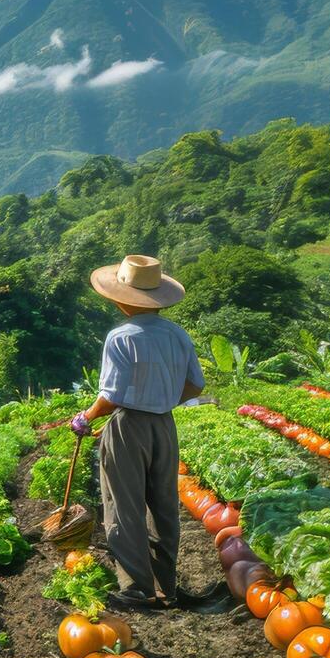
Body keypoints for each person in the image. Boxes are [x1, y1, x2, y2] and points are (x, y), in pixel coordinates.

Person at [69, 254, 209, 610]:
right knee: (163, 505)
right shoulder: (177, 335)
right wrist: (162, 398)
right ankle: (167, 586)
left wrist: (85, 419)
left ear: (121, 298)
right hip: (164, 424)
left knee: (123, 504)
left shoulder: (121, 337)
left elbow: (111, 398)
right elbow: (195, 385)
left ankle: (135, 588)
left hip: (129, 425)